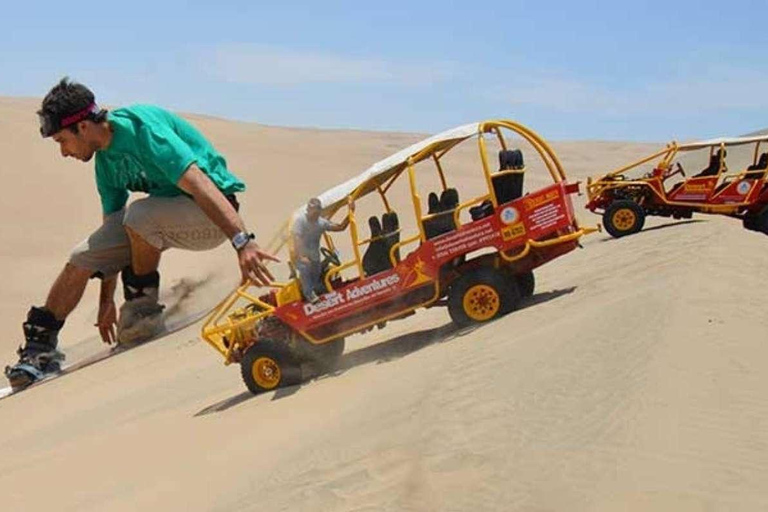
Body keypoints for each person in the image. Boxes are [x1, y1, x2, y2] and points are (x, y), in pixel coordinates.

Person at [4, 77, 277, 389]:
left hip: (212, 214)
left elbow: (199, 183)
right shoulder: (105, 164)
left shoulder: (143, 130)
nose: (64, 152)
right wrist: (106, 299)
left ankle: (142, 309)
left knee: (140, 215)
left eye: (62, 141)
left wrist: (243, 241)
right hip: (162, 217)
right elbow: (111, 238)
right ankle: (39, 349)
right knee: (82, 255)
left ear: (82, 127)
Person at [291, 198, 353, 303]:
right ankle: (309, 295)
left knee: (326, 271)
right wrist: (301, 256)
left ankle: (326, 294)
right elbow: (296, 238)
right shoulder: (300, 221)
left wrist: (351, 211)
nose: (313, 212)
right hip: (301, 257)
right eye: (311, 209)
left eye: (316, 210)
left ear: (319, 210)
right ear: (308, 209)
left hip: (315, 259)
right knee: (305, 267)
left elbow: (340, 227)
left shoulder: (321, 223)